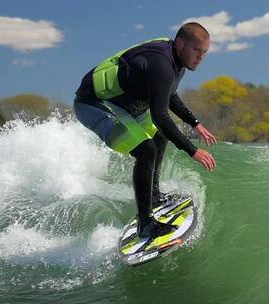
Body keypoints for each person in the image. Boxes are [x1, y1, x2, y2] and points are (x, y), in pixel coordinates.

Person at [73, 22, 216, 238]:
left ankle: (154, 197)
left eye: (204, 52)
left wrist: (194, 122)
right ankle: (146, 224)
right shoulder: (161, 64)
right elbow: (160, 116)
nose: (200, 57)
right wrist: (192, 150)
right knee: (146, 150)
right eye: (197, 50)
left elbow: (168, 95)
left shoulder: (177, 62)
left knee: (159, 137)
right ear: (179, 43)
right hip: (95, 104)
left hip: (125, 105)